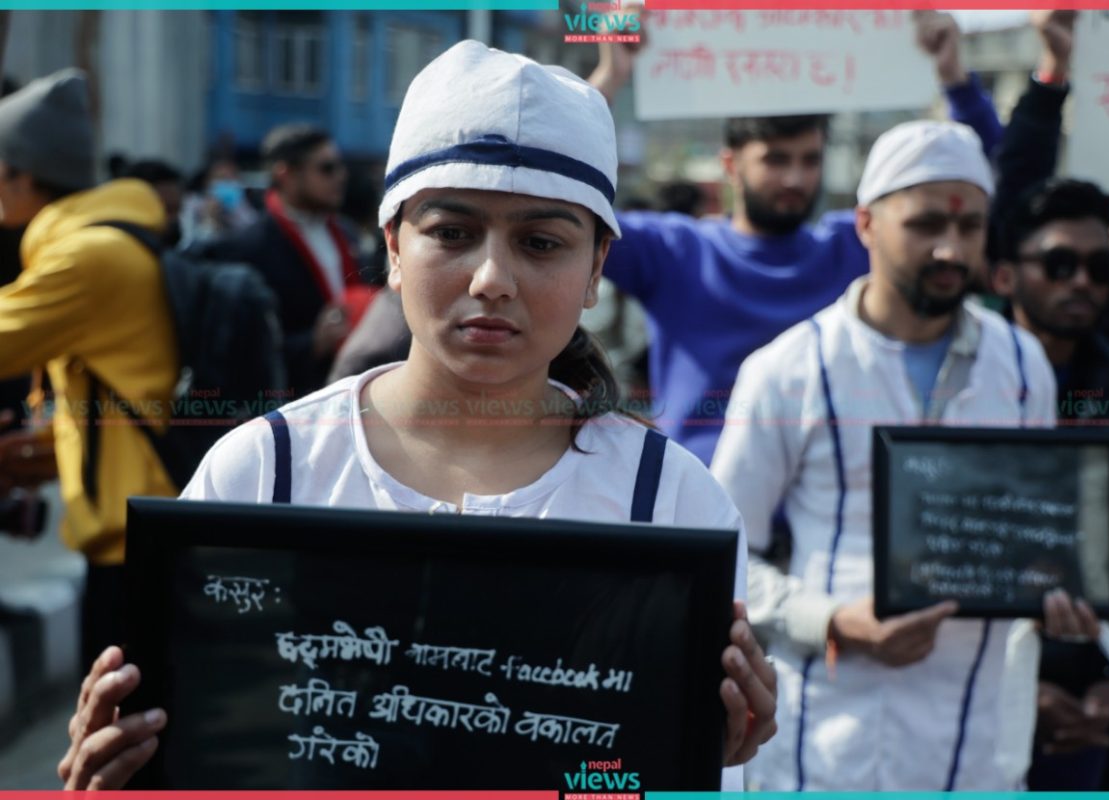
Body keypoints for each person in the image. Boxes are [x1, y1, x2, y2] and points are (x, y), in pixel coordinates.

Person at [56, 40, 777, 791]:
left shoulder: (668, 501)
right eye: (453, 233)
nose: (492, 278)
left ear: (596, 268)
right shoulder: (267, 470)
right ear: (394, 247)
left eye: (540, 242)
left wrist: (690, 753)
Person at [710, 120, 1100, 790]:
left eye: (970, 226)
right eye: (925, 225)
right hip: (829, 740)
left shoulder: (1021, 362)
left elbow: (1029, 533)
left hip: (979, 741)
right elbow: (723, 554)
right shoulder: (791, 368)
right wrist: (833, 621)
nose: (951, 248)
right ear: (866, 223)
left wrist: (1070, 581)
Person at [586, 10, 1004, 466]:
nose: (795, 178)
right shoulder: (674, 251)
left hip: (829, 495)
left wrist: (953, 78)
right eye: (776, 160)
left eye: (810, 160)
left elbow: (975, 174)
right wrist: (610, 77)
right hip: (698, 498)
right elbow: (567, 206)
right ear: (731, 165)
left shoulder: (851, 246)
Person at [0, 70, 178, 669]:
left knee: (120, 716)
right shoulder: (111, 240)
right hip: (139, 527)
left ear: (22, 175)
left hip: (134, 539)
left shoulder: (87, 256)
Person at [990, 177, 1109, 789]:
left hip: (1092, 700)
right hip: (966, 683)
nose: (1081, 282)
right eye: (1059, 264)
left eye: (1100, 268)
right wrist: (1024, 687)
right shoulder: (957, 382)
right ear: (1004, 276)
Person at [188, 126, 365, 396]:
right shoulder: (248, 247)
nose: (340, 176)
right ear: (286, 174)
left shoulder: (346, 233)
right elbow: (241, 353)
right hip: (294, 400)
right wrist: (312, 344)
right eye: (327, 168)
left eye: (341, 166)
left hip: (354, 387)